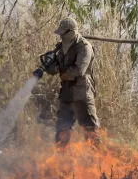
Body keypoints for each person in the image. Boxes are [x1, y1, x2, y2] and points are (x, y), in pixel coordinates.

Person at [33, 17, 100, 149]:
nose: (61, 36)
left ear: (72, 32)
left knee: (90, 129)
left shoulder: (84, 47)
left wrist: (60, 70)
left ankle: (101, 163)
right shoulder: (60, 48)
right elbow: (55, 68)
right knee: (62, 129)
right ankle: (61, 162)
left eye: (64, 33)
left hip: (82, 93)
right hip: (67, 92)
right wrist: (48, 67)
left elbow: (79, 70)